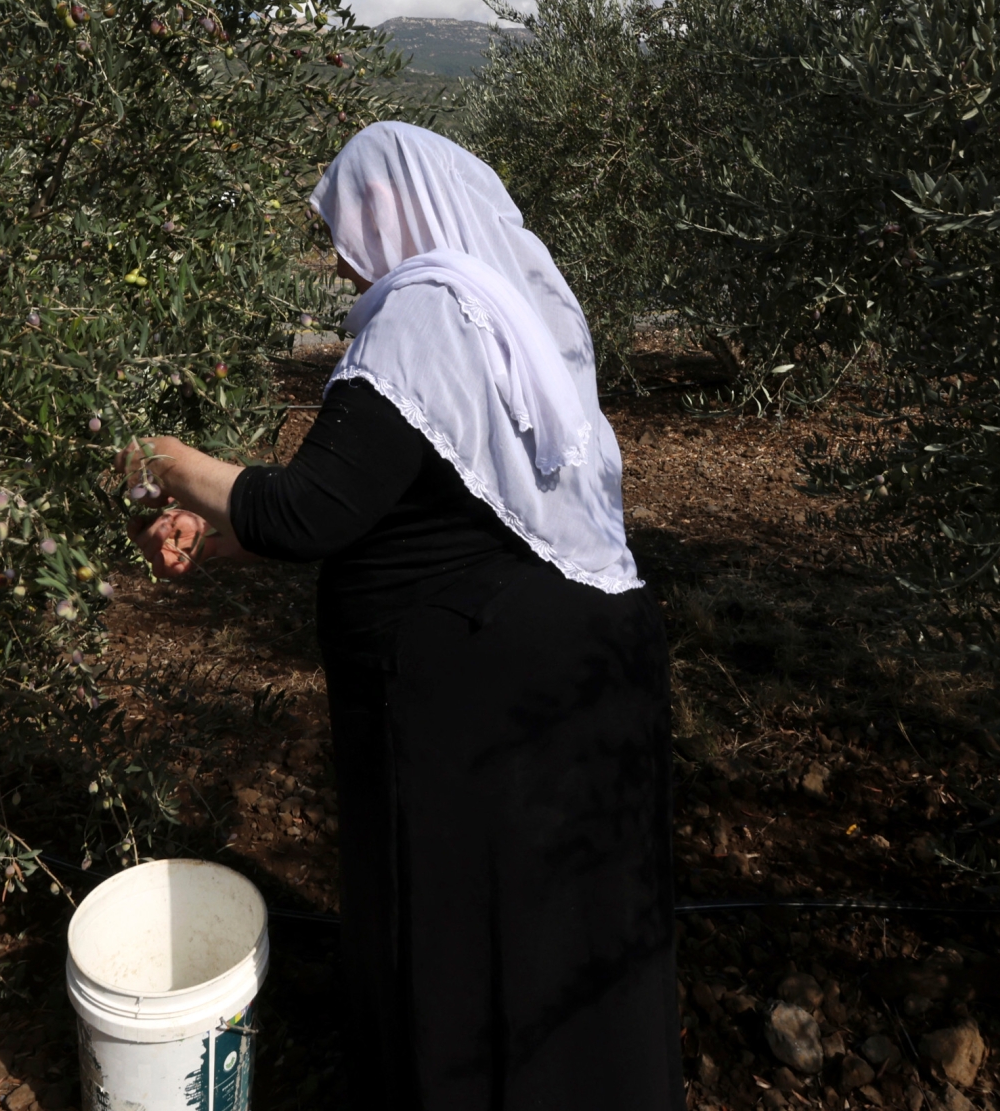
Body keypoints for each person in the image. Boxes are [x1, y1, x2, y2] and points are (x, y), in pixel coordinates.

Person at [118, 121, 680, 1110]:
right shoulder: (502, 313)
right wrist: (211, 534)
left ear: (392, 207)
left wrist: (156, 456)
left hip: (473, 707)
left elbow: (306, 511)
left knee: (462, 934)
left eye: (342, 222)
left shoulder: (421, 314)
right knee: (556, 934)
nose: (336, 255)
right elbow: (406, 500)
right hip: (561, 676)